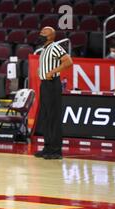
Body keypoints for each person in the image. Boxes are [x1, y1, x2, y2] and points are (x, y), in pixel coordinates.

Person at [35, 26, 73, 160]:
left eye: (44, 33)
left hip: (52, 84)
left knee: (53, 117)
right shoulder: (44, 49)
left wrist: (52, 72)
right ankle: (48, 147)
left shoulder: (55, 47)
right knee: (46, 117)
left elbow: (68, 61)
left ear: (51, 36)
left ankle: (56, 150)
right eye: (40, 32)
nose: (40, 34)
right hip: (44, 85)